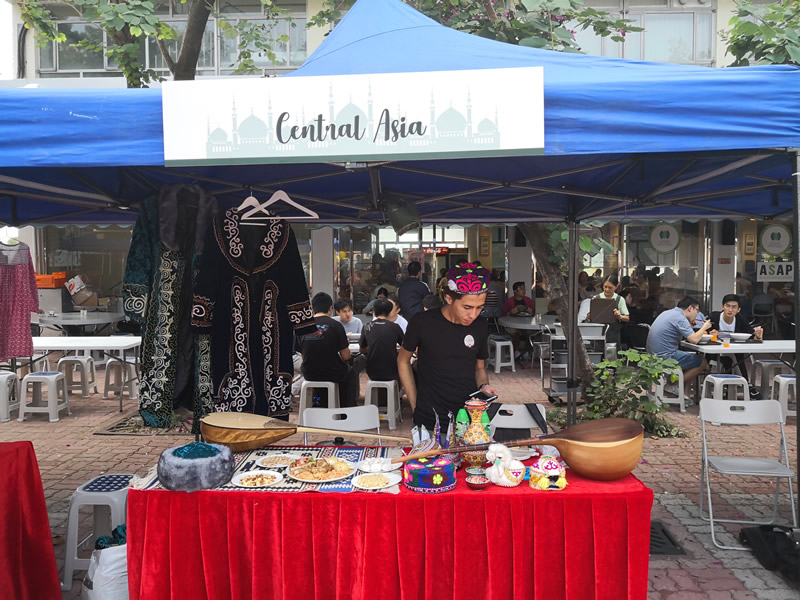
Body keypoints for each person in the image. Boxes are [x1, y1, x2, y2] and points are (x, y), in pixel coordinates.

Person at [398, 262, 498, 432]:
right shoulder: (422, 322)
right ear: (449, 299)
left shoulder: (480, 325)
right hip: (429, 420)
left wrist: (483, 387)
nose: (473, 315)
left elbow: (479, 367)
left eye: (479, 308)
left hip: (468, 420)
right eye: (467, 307)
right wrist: (415, 405)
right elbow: (403, 361)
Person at [298, 292, 364, 407]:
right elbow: (346, 356)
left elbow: (303, 355)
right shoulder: (336, 326)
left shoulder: (303, 326)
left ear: (312, 308)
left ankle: (318, 402)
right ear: (330, 309)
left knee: (322, 374)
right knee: (349, 373)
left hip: (309, 372)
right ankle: (347, 407)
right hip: (332, 372)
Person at [646, 296, 716, 397]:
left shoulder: (669, 313)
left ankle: (685, 394)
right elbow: (694, 339)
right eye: (697, 310)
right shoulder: (680, 318)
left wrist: (690, 324)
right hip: (665, 357)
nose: (697, 314)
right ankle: (672, 385)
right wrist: (704, 327)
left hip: (652, 355)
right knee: (702, 362)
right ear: (690, 308)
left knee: (691, 361)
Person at [709, 293, 763, 398]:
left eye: (734, 307)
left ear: (738, 309)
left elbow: (752, 335)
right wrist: (711, 335)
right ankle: (745, 386)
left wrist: (758, 336)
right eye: (728, 306)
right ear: (722, 307)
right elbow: (703, 333)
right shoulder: (714, 317)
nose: (730, 310)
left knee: (736, 355)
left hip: (733, 352)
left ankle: (735, 388)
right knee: (731, 358)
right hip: (715, 353)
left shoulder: (740, 319)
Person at [359, 299, 404, 382]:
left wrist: (373, 346)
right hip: (392, 371)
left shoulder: (366, 327)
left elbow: (362, 350)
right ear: (389, 313)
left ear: (374, 313)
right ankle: (398, 389)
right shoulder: (395, 327)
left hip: (372, 372)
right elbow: (405, 347)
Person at [587, 275, 630, 346]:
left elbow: (627, 318)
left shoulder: (619, 299)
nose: (607, 290)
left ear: (616, 287)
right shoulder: (596, 298)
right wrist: (592, 313)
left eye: (610, 287)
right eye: (605, 286)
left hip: (613, 336)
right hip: (598, 336)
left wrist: (620, 316)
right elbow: (588, 317)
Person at [502, 281, 535, 358]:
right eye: (521, 288)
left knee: (531, 333)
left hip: (526, 324)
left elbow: (533, 313)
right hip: (512, 324)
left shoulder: (528, 300)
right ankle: (516, 351)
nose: (524, 290)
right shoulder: (509, 301)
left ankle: (526, 352)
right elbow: (503, 314)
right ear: (515, 291)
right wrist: (511, 312)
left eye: (524, 288)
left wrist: (529, 310)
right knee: (515, 334)